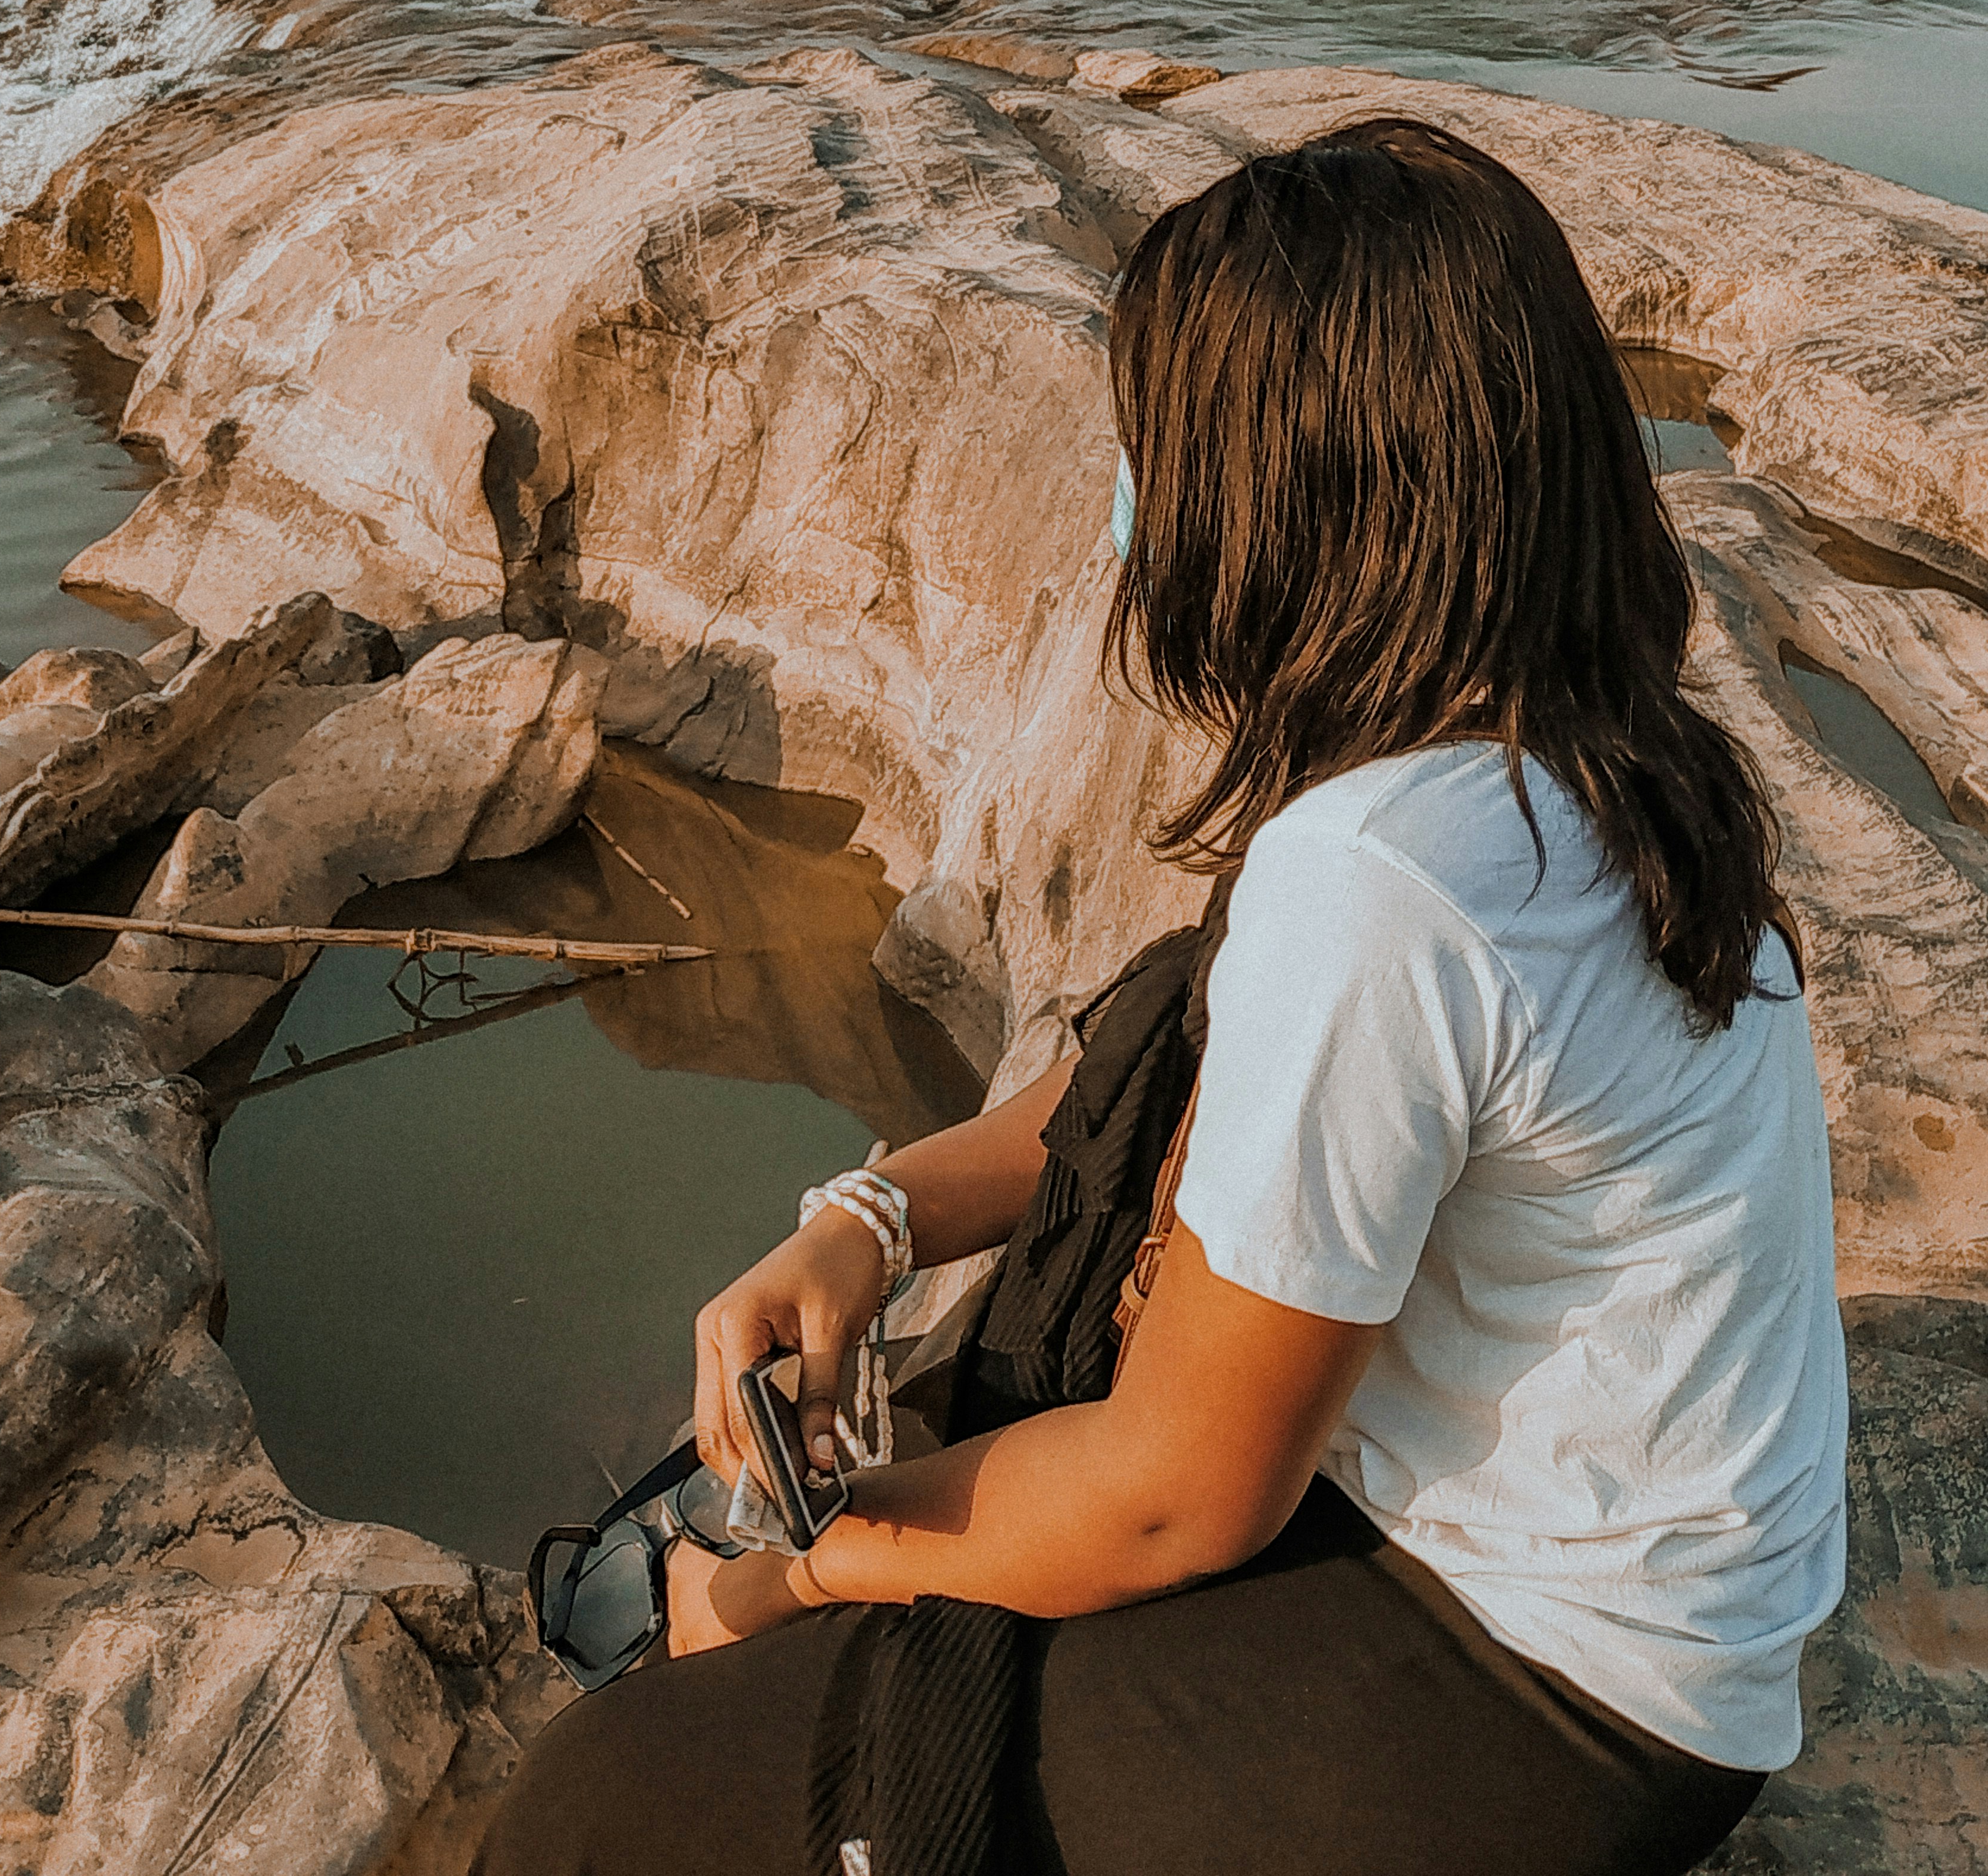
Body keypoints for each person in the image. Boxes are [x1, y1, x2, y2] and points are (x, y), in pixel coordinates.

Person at [484, 113, 1848, 1876]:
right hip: (1665, 1630)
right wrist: (874, 1219)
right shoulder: (1576, 748)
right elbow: (1178, 1073)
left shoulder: (1383, 877)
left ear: (1287, 498)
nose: (1135, 505)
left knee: (602, 1812)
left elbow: (1176, 1494)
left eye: (1156, 453)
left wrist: (789, 1575)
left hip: (1542, 1696)